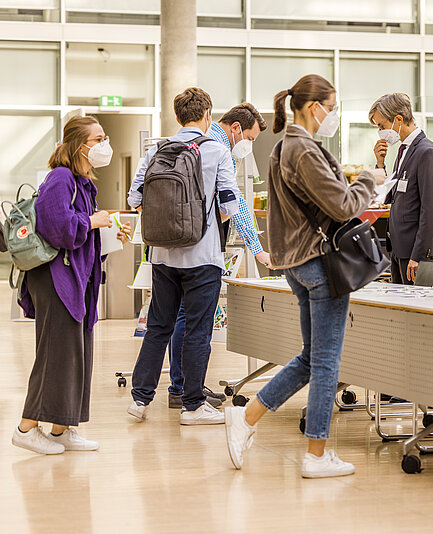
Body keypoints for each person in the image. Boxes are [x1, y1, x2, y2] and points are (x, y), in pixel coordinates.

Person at [224, 74, 379, 478]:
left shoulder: (280, 149)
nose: (335, 115)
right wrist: (368, 179)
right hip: (319, 264)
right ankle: (316, 454)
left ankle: (247, 416)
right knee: (327, 363)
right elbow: (344, 206)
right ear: (316, 108)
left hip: (295, 263)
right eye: (333, 106)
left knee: (312, 357)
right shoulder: (304, 150)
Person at [12, 116, 130, 454]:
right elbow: (57, 228)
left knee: (76, 355)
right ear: (80, 145)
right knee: (55, 353)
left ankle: (62, 428)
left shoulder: (82, 181)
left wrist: (104, 233)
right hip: (54, 279)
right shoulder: (60, 178)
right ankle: (26, 427)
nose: (104, 144)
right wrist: (92, 221)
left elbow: (78, 232)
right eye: (98, 139)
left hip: (74, 279)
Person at [126, 87, 241, 425]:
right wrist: (200, 225)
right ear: (208, 115)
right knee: (197, 330)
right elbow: (230, 204)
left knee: (158, 328)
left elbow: (135, 199)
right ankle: (192, 405)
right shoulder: (217, 151)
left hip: (161, 256)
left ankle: (140, 400)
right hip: (202, 258)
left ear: (177, 117)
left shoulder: (157, 151)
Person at [166, 102, 271, 410]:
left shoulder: (187, 143)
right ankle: (185, 390)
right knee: (193, 320)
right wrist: (258, 249)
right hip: (200, 249)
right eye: (250, 138)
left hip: (177, 245)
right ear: (235, 128)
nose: (249, 146)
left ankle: (185, 386)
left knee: (182, 317)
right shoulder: (217, 149)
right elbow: (234, 205)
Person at [371, 93, 433, 284]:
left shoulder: (426, 151)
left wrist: (418, 255)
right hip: (398, 248)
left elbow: (429, 209)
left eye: (382, 126)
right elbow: (388, 196)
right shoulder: (404, 150)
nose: (380, 131)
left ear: (398, 119)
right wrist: (380, 165)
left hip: (414, 253)